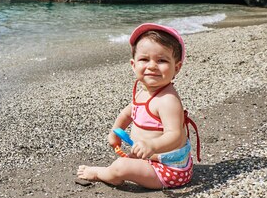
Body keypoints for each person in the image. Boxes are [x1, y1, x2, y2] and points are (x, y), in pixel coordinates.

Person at [77, 23, 200, 189]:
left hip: (169, 170)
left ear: (176, 68)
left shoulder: (167, 100)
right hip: (150, 158)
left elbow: (175, 135)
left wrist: (152, 146)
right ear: (133, 65)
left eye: (162, 60)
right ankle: (121, 169)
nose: (151, 66)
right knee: (127, 161)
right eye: (144, 59)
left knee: (121, 166)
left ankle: (103, 174)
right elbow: (128, 112)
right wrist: (116, 132)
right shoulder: (144, 91)